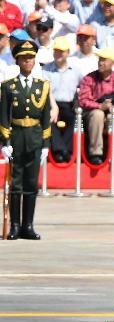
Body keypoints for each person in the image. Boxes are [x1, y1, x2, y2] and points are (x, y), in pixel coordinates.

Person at [0, 41, 50, 241]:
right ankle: (14, 226)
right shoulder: (8, 86)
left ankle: (28, 225)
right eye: (24, 58)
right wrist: (5, 142)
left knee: (31, 184)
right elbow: (3, 116)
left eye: (30, 58)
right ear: (17, 61)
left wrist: (46, 145)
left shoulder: (42, 86)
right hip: (17, 137)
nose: (27, 61)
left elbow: (45, 117)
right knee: (16, 185)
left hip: (35, 138)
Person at [78, 48, 114, 165]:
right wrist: (100, 106)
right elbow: (83, 100)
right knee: (97, 114)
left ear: (112, 63)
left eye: (104, 60)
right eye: (100, 59)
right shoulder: (88, 78)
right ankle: (95, 153)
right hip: (93, 112)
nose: (101, 62)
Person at [45, 36, 83, 165]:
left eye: (61, 51)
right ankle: (61, 151)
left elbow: (81, 89)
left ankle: (63, 151)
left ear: (68, 52)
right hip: (50, 104)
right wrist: (52, 106)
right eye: (56, 51)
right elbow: (45, 90)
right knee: (49, 119)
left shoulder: (76, 71)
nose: (58, 54)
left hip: (68, 104)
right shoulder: (46, 69)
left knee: (74, 119)